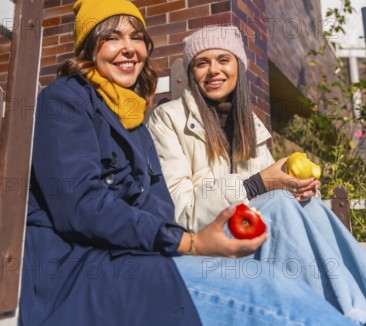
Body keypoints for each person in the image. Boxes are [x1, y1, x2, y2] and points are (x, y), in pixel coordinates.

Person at [19, 0, 357, 326]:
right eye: (112, 37)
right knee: (268, 282)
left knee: (288, 230)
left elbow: (157, 210)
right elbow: (83, 207)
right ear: (89, 48)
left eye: (137, 37)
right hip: (85, 269)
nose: (129, 47)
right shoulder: (67, 101)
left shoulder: (133, 120)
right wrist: (192, 240)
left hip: (150, 254)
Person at [147, 24, 366, 325]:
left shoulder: (250, 124)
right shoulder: (168, 119)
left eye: (223, 59)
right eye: (202, 62)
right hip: (208, 247)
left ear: (238, 66)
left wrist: (294, 187)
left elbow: (272, 188)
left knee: (308, 205)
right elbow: (179, 211)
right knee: (276, 203)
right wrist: (256, 185)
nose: (213, 70)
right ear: (191, 72)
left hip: (254, 240)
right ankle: (341, 317)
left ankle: (359, 310)